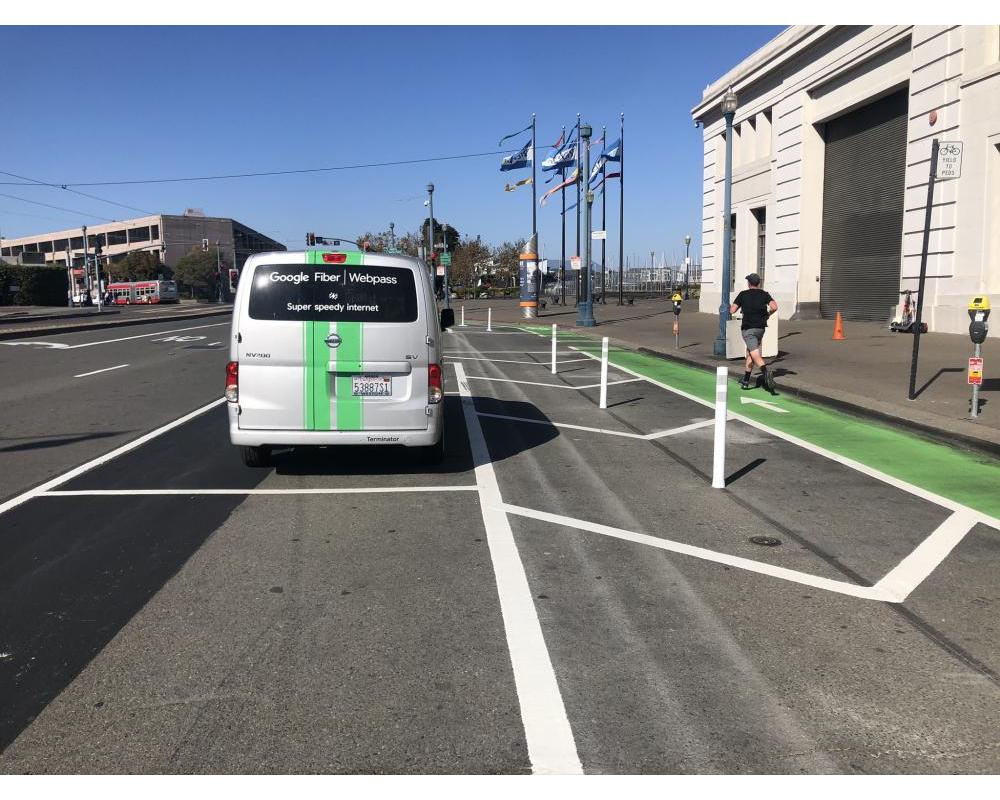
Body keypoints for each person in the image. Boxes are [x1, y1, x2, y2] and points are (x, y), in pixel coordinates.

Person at [730, 273, 777, 391]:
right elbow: (774, 307)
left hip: (748, 328)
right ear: (758, 283)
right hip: (760, 328)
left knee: (754, 353)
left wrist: (738, 306)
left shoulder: (743, 294)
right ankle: (745, 381)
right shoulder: (764, 294)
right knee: (750, 353)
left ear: (749, 283)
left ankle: (766, 373)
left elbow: (732, 310)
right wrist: (767, 315)